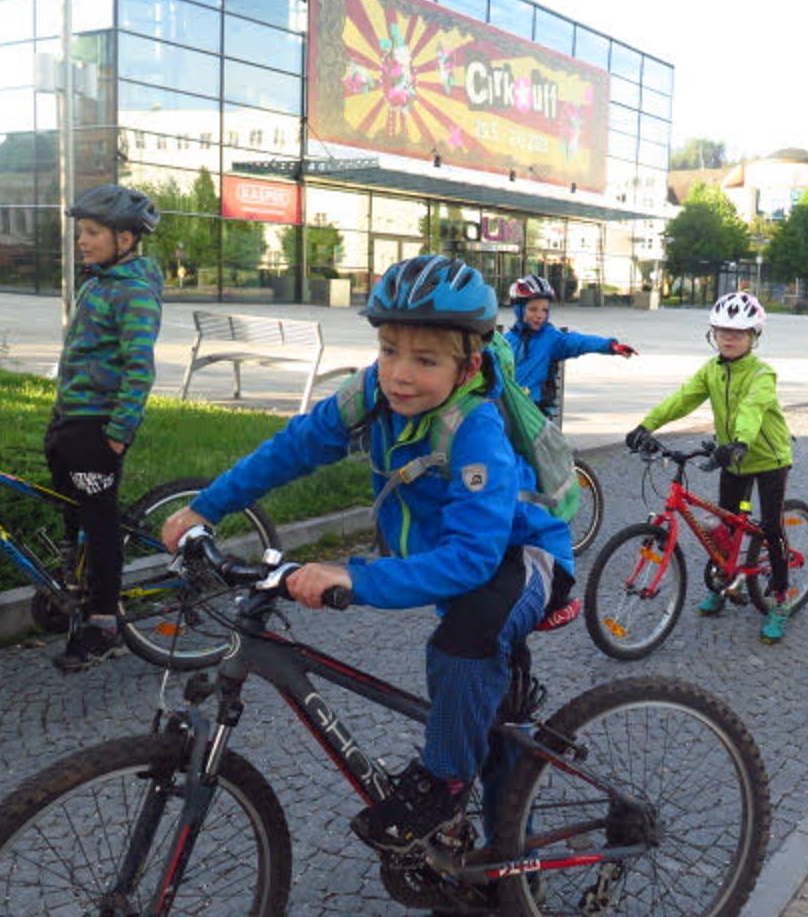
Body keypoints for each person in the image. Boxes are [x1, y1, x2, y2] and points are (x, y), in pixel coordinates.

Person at [160, 255, 575, 854]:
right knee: (484, 703)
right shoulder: (372, 393)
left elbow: (473, 560)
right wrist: (207, 508)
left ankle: (453, 795)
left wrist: (353, 576)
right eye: (388, 350)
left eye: (425, 360)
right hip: (454, 556)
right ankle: (492, 840)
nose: (400, 373)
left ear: (468, 367)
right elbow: (296, 446)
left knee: (465, 643)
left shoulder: (476, 428)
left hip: (523, 557)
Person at [624, 292, 795, 643]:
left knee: (770, 527)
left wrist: (741, 441)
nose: (730, 338)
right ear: (713, 334)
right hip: (732, 457)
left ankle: (779, 598)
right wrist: (647, 425)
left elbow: (752, 408)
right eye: (723, 331)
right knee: (724, 524)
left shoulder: (763, 374)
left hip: (768, 458)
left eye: (739, 332)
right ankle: (723, 582)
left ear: (754, 337)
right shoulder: (711, 370)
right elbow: (682, 399)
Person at [48, 184, 163, 673]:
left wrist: (118, 432)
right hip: (71, 422)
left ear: (125, 238)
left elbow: (140, 369)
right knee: (72, 514)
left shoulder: (133, 291)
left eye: (92, 232)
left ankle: (104, 625)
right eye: (81, 232)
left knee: (100, 523)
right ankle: (76, 595)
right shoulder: (97, 282)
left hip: (99, 426)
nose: (82, 240)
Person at [504, 276, 636, 419]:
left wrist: (610, 346)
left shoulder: (551, 338)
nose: (540, 315)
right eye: (533, 309)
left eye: (545, 310)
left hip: (536, 411)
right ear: (519, 310)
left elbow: (579, 342)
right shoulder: (506, 341)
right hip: (508, 408)